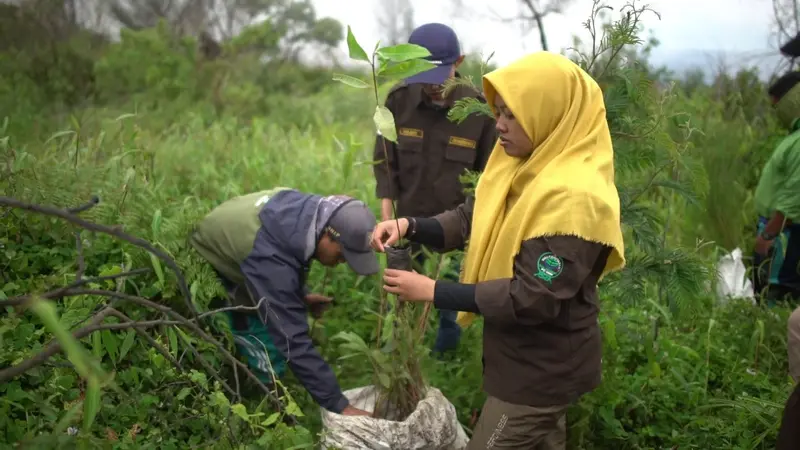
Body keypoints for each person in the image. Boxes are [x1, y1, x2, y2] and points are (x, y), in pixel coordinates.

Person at [370, 51, 625, 449]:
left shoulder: (573, 201)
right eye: (499, 112)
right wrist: (411, 225)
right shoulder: (524, 166)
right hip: (520, 361)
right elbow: (473, 215)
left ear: (549, 114)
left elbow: (532, 297)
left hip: (539, 374)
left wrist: (433, 291)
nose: (499, 126)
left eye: (512, 115)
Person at [190, 187, 378, 417]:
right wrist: (341, 406)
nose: (341, 262)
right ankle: (274, 405)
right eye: (342, 255)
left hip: (244, 239)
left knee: (278, 313)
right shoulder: (269, 260)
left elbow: (291, 257)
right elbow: (293, 341)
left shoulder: (311, 214)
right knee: (262, 337)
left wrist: (300, 295)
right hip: (212, 261)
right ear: (328, 235)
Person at [372, 22, 497, 355]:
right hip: (405, 224)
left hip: (455, 232)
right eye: (422, 77)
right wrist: (386, 214)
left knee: (448, 305)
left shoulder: (480, 111)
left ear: (459, 62)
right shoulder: (398, 101)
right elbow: (385, 162)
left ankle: (445, 365)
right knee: (398, 299)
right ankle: (397, 359)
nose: (430, 87)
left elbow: (488, 178)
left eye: (438, 76)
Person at [752, 70, 800, 306]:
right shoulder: (794, 137)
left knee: (775, 293)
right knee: (766, 288)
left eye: (778, 106)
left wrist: (770, 234)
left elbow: (795, 194)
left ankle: (775, 339)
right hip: (778, 229)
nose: (776, 113)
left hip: (784, 234)